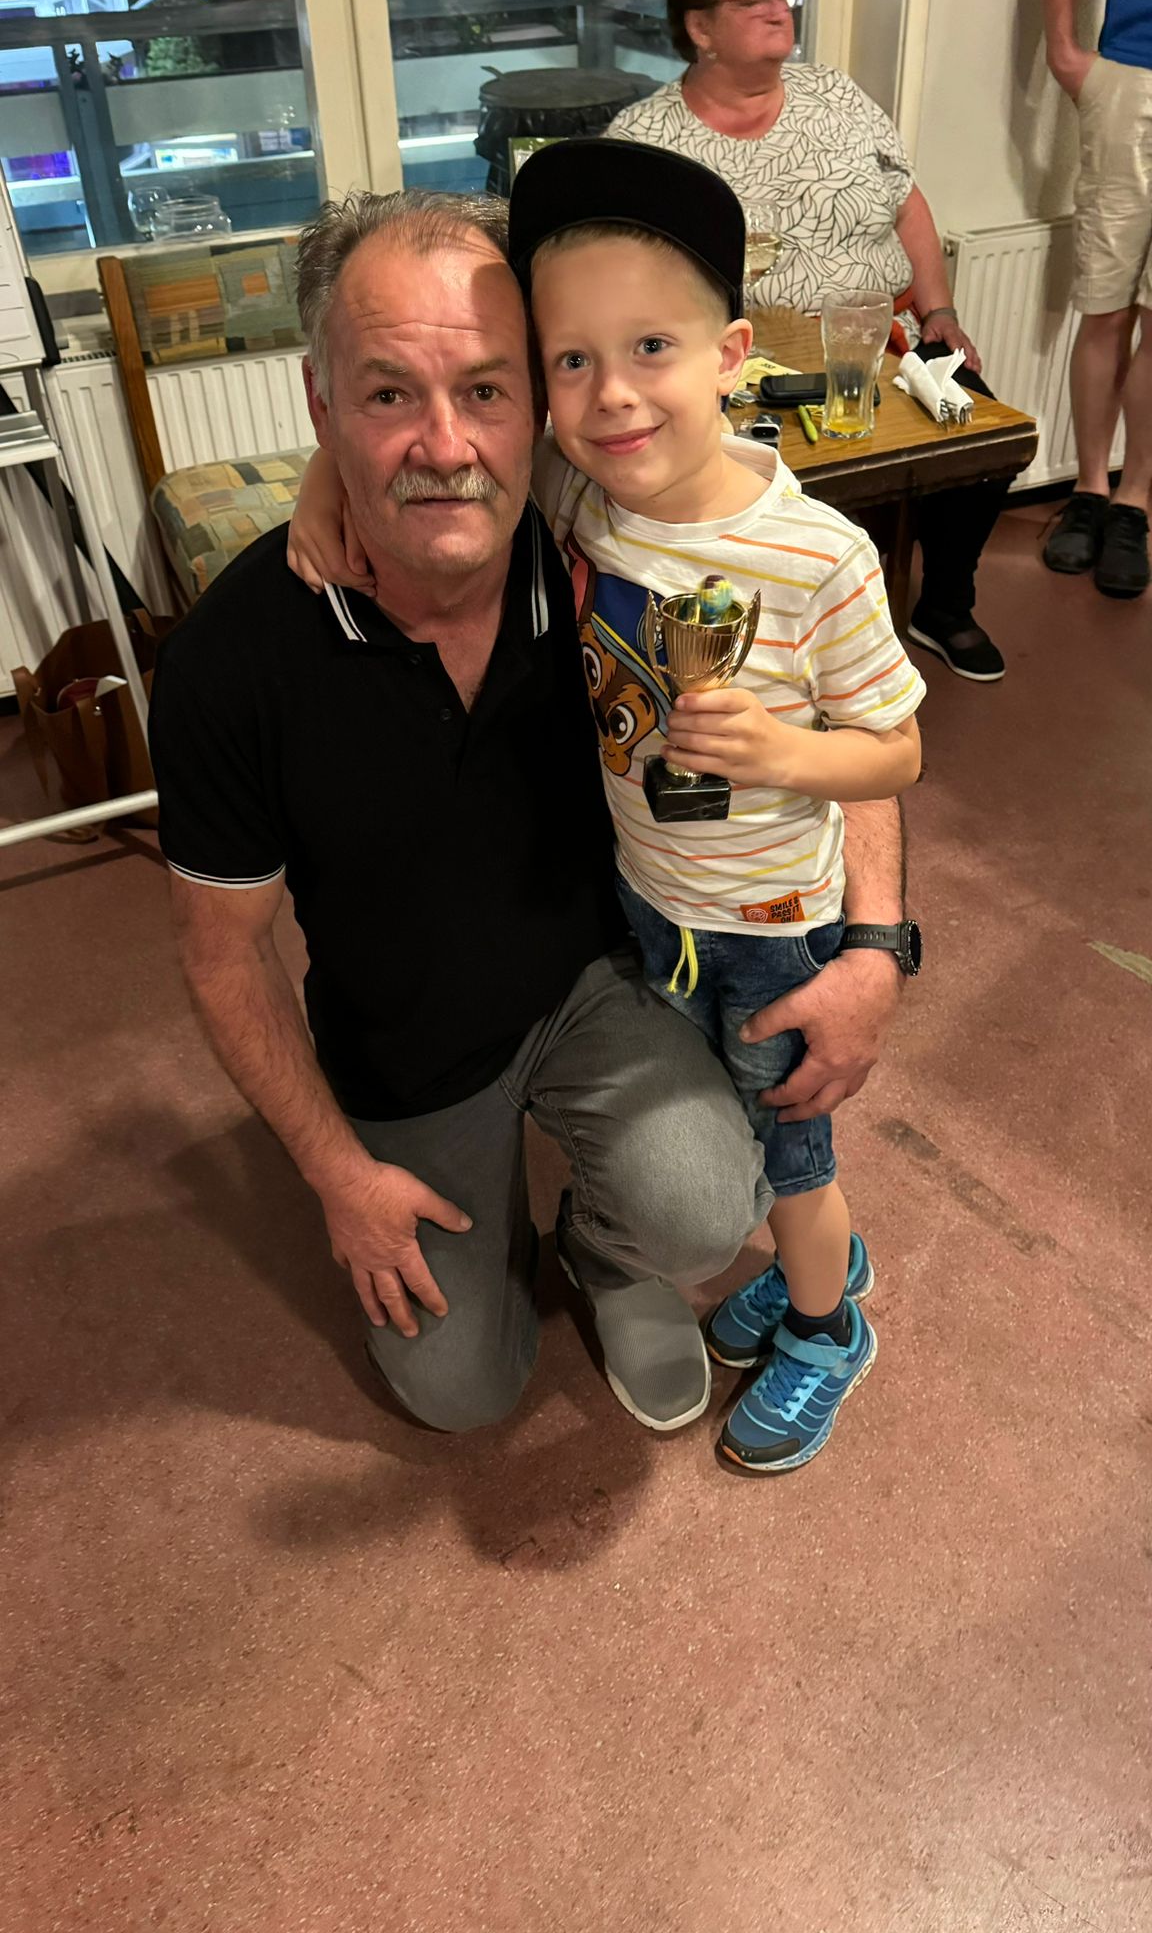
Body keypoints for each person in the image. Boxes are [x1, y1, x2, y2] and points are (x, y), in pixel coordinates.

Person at [290, 150, 927, 1473]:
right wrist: (324, 478)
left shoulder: (820, 555)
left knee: (790, 1159)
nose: (612, 394)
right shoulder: (587, 495)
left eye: (650, 348)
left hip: (771, 927)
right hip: (653, 910)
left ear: (732, 355)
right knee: (729, 1143)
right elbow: (427, 449)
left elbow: (898, 748)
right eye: (570, 362)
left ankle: (829, 1325)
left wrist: (792, 761)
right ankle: (767, 1258)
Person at [604, 0, 1008, 685]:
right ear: (700, 27)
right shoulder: (647, 140)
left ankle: (944, 603)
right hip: (743, 375)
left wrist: (940, 314)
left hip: (881, 347)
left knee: (979, 435)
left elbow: (906, 201)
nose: (777, 9)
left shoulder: (834, 94)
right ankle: (777, 644)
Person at [1041, 0, 1152, 598]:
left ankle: (1134, 502)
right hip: (1132, 75)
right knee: (1105, 307)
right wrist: (1063, 47)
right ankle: (1089, 488)